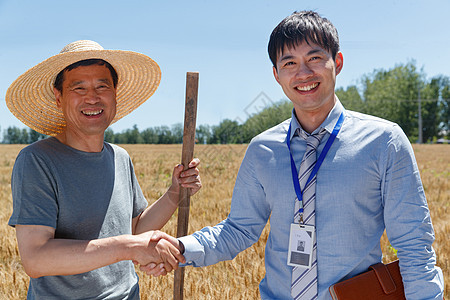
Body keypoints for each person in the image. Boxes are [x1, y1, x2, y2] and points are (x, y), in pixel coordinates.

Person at [142, 11, 445, 299]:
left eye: (314, 58)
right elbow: (238, 229)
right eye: (289, 63)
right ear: (276, 74)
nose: (303, 73)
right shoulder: (263, 149)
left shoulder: (384, 141)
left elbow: (413, 245)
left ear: (337, 62)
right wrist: (179, 247)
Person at [6, 40, 202, 299]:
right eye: (79, 88)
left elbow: (133, 230)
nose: (92, 97)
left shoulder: (119, 157)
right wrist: (129, 247)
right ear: (58, 97)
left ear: (115, 94)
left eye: (102, 86)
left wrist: (175, 194)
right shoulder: (37, 161)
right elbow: (36, 259)